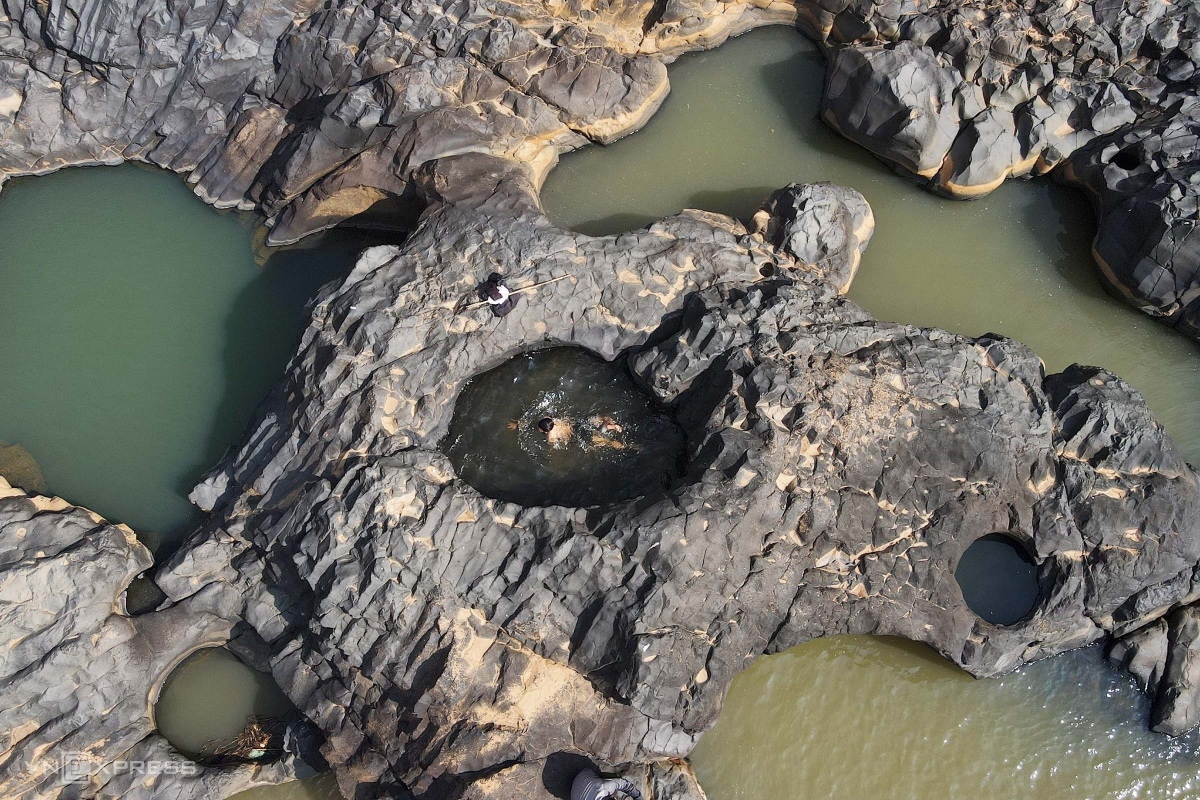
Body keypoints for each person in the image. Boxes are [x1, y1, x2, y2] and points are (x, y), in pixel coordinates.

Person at [571, 768, 644, 800]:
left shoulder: (605, 788)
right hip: (573, 796)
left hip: (583, 776)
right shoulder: (604, 788)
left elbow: (626, 785)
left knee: (616, 780)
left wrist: (637, 796)